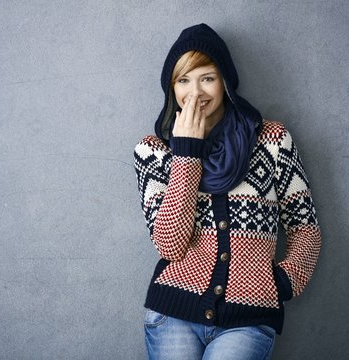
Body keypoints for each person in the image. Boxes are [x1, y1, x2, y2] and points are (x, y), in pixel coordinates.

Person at [133, 23, 322, 360]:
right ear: (171, 87)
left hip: (248, 318)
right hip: (172, 313)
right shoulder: (154, 152)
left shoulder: (272, 141)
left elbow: (304, 228)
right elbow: (170, 245)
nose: (195, 93)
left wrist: (280, 282)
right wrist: (188, 151)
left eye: (207, 77)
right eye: (183, 80)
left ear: (225, 81)